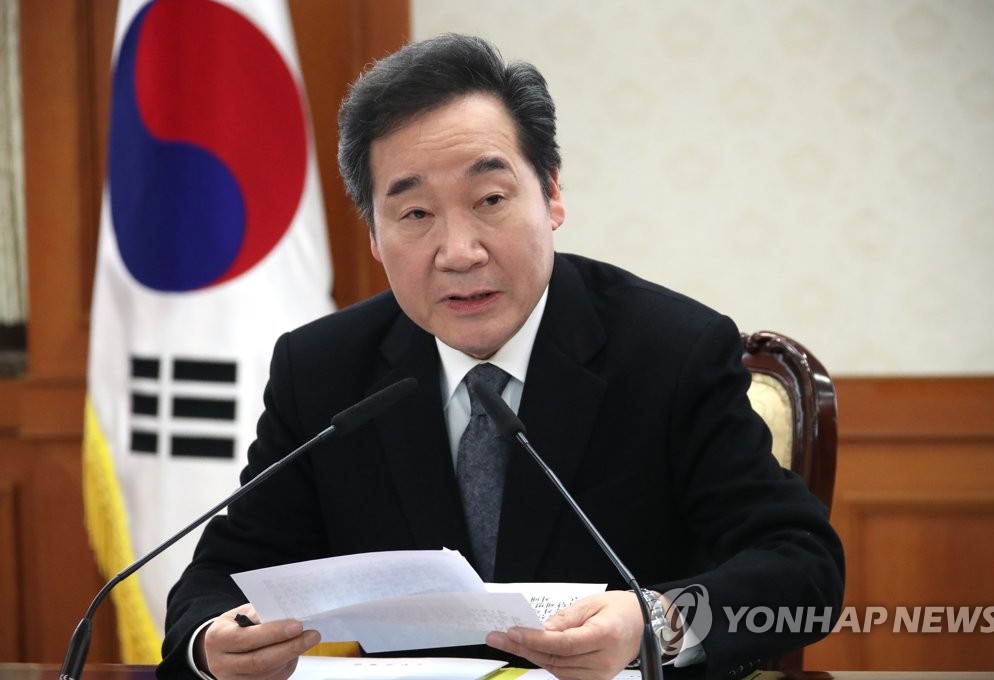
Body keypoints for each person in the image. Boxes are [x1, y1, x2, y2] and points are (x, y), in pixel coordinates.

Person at [159, 33, 844, 680]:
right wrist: (212, 642)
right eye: (415, 214)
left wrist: (653, 625)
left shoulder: (669, 352)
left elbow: (803, 570)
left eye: (489, 199)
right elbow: (224, 575)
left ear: (551, 195)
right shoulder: (323, 372)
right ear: (374, 235)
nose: (459, 252)